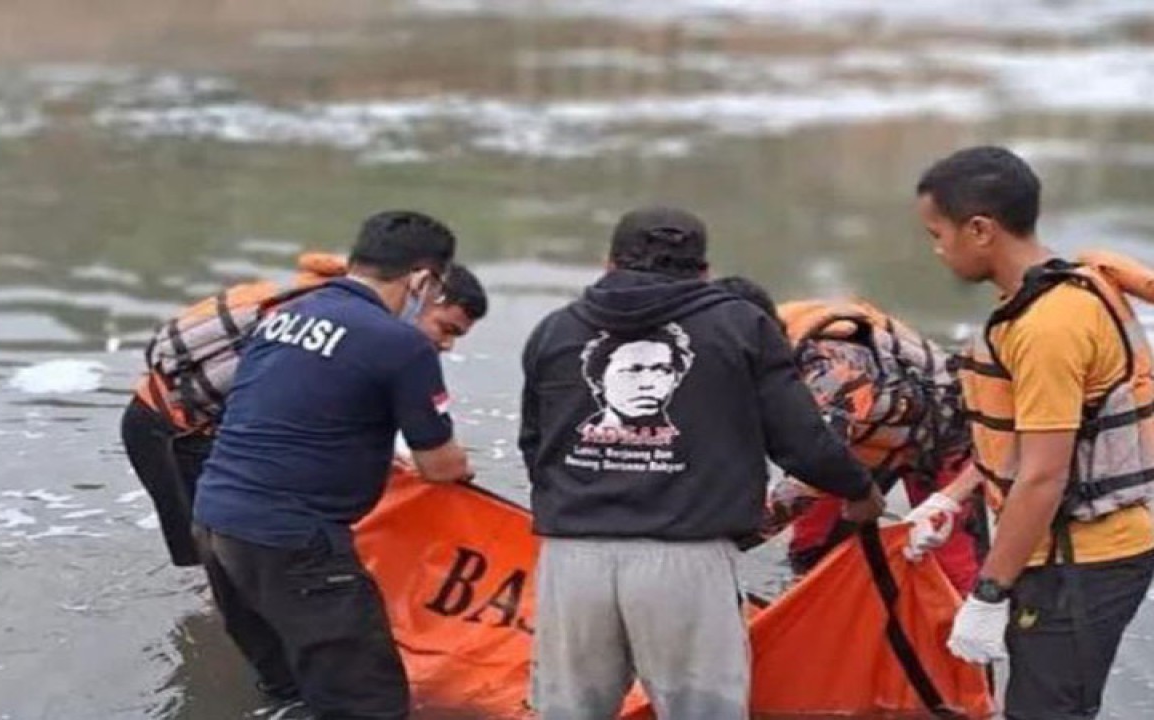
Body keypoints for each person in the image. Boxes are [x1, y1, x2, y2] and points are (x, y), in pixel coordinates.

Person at [518, 206, 884, 720]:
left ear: (608, 264)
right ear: (703, 271)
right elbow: (802, 442)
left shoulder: (555, 330)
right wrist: (860, 491)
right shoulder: (740, 326)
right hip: (686, 561)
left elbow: (536, 446)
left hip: (572, 559)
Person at [190, 210, 475, 718]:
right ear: (423, 279)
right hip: (294, 541)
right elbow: (438, 465)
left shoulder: (287, 313)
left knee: (288, 688)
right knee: (368, 702)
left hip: (215, 522)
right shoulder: (400, 343)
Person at [908, 146, 1154, 719]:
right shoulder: (1054, 295)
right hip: (1064, 553)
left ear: (980, 230)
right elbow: (1035, 433)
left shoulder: (1047, 327)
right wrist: (953, 496)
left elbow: (1044, 475)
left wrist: (989, 592)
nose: (937, 250)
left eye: (937, 233)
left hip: (1084, 561)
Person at [120, 255, 487, 568]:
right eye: (445, 327)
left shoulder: (345, 312)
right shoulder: (341, 327)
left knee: (239, 557)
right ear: (419, 293)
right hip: (170, 432)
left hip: (205, 426)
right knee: (220, 560)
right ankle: (213, 636)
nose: (448, 344)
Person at [716, 276, 984, 592]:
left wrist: (724, 543)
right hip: (861, 441)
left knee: (957, 571)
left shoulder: (836, 367)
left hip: (942, 440)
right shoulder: (751, 343)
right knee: (811, 551)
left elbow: (811, 471)